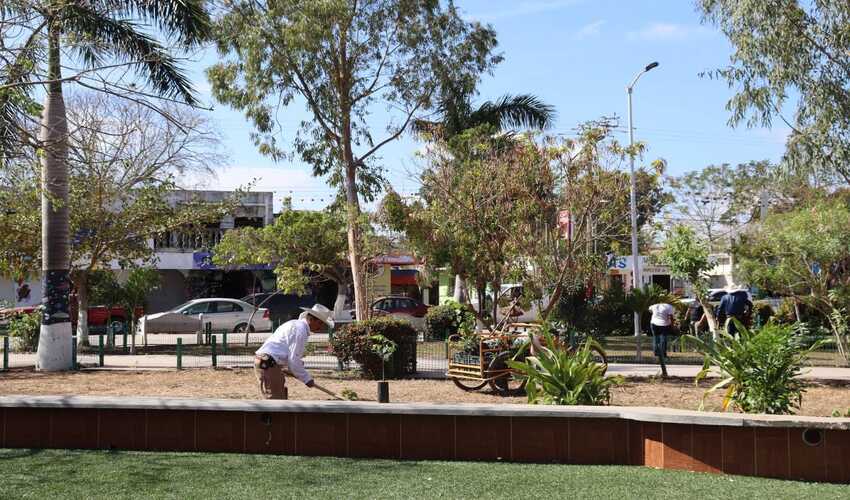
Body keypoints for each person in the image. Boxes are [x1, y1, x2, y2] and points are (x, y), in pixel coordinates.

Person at [254, 303, 334, 399]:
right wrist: (307, 379)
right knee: (276, 401)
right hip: (268, 364)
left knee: (280, 398)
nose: (320, 327)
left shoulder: (295, 324)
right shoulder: (300, 330)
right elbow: (294, 360)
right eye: (320, 323)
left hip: (268, 362)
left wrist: (293, 367)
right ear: (311, 319)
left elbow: (290, 356)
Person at [648, 301, 677, 378]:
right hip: (664, 324)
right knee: (663, 338)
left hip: (654, 323)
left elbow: (650, 310)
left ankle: (656, 353)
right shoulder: (669, 306)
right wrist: (672, 326)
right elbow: (671, 317)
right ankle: (663, 353)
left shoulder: (654, 305)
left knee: (655, 338)